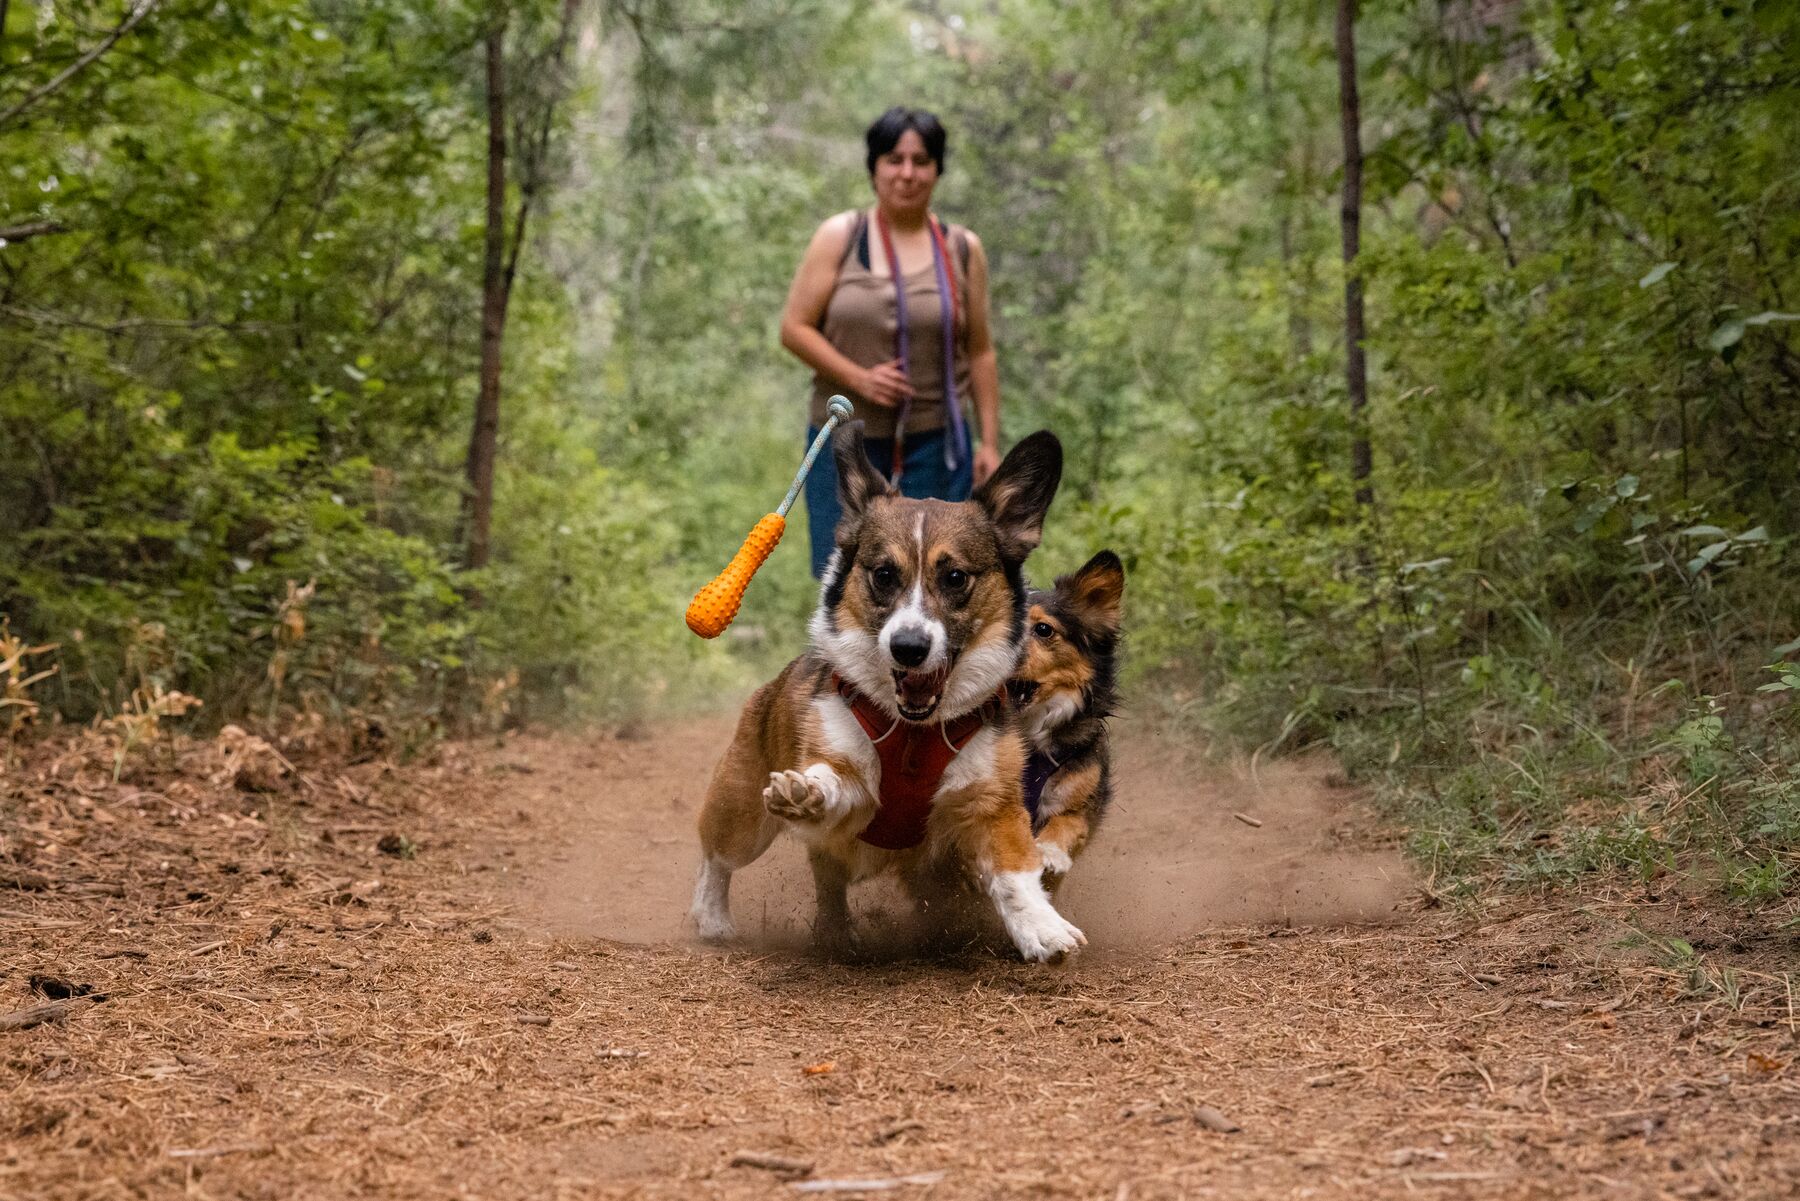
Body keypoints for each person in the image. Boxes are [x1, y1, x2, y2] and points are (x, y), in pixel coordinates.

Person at [780, 106, 1003, 577]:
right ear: (874, 168)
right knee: (843, 577)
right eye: (894, 159)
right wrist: (860, 378)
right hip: (843, 442)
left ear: (937, 169)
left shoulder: (962, 248)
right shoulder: (841, 236)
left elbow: (980, 350)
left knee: (936, 577)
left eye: (921, 161)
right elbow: (794, 329)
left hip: (935, 443)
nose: (907, 173)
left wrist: (989, 442)